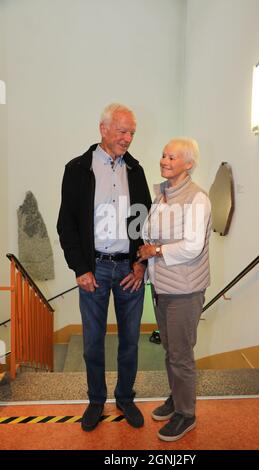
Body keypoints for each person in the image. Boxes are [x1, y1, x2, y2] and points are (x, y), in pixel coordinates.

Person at [57, 103, 152, 431]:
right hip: (93, 270)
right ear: (104, 129)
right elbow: (66, 224)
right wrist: (80, 268)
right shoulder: (77, 169)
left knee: (130, 341)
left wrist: (140, 265)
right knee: (94, 341)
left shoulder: (135, 170)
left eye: (132, 133)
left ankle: (125, 398)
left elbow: (143, 222)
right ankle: (96, 401)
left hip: (129, 271)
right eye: (123, 131)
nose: (128, 138)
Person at [137, 138, 211, 441]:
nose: (164, 161)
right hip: (163, 286)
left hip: (184, 288)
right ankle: (177, 398)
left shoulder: (197, 199)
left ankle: (186, 414)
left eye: (172, 157)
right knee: (170, 350)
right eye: (164, 155)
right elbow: (149, 232)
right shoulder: (163, 194)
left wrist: (153, 252)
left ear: (188, 164)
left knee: (181, 354)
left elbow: (192, 247)